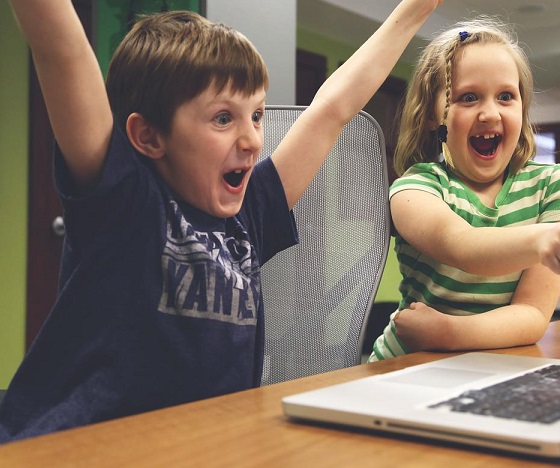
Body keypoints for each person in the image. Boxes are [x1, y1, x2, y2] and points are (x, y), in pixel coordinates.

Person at [0, 0, 443, 442]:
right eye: (223, 118)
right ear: (149, 136)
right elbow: (61, 48)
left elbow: (332, 108)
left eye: (256, 115)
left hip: (206, 442)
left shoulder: (251, 211)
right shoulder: (123, 198)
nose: (252, 140)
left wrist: (415, 10)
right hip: (78, 447)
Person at [368, 17, 560, 363]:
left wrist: (448, 333)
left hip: (491, 367)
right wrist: (545, 239)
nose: (490, 113)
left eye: (506, 97)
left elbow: (532, 315)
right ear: (433, 115)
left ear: (522, 107)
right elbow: (463, 246)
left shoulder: (554, 186)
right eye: (468, 97)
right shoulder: (414, 188)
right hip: (406, 366)